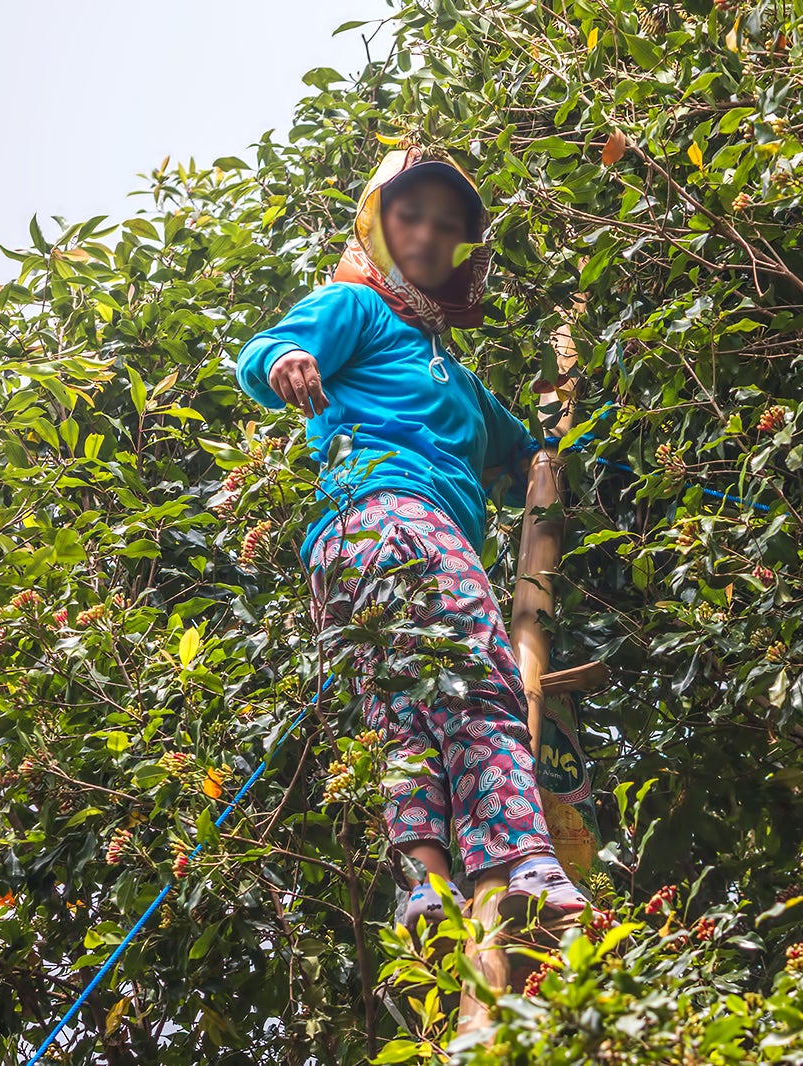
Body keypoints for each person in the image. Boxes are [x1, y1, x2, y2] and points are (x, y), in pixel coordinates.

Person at [234, 142, 587, 936]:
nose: (427, 236)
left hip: (351, 557)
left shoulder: (455, 377)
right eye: (410, 215)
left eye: (447, 226)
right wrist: (288, 361)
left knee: (406, 711)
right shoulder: (356, 308)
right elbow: (262, 351)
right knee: (480, 675)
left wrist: (561, 432)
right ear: (377, 221)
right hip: (391, 514)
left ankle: (425, 887)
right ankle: (518, 860)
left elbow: (525, 454)